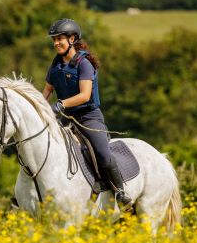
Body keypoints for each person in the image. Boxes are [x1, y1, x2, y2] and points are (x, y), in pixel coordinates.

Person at [42, 18, 131, 207]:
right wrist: (40, 108)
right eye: (54, 40)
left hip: (88, 118)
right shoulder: (56, 64)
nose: (56, 43)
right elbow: (47, 90)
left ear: (72, 39)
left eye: (60, 39)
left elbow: (84, 95)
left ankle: (120, 192)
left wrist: (60, 104)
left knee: (102, 153)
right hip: (65, 118)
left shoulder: (84, 64)